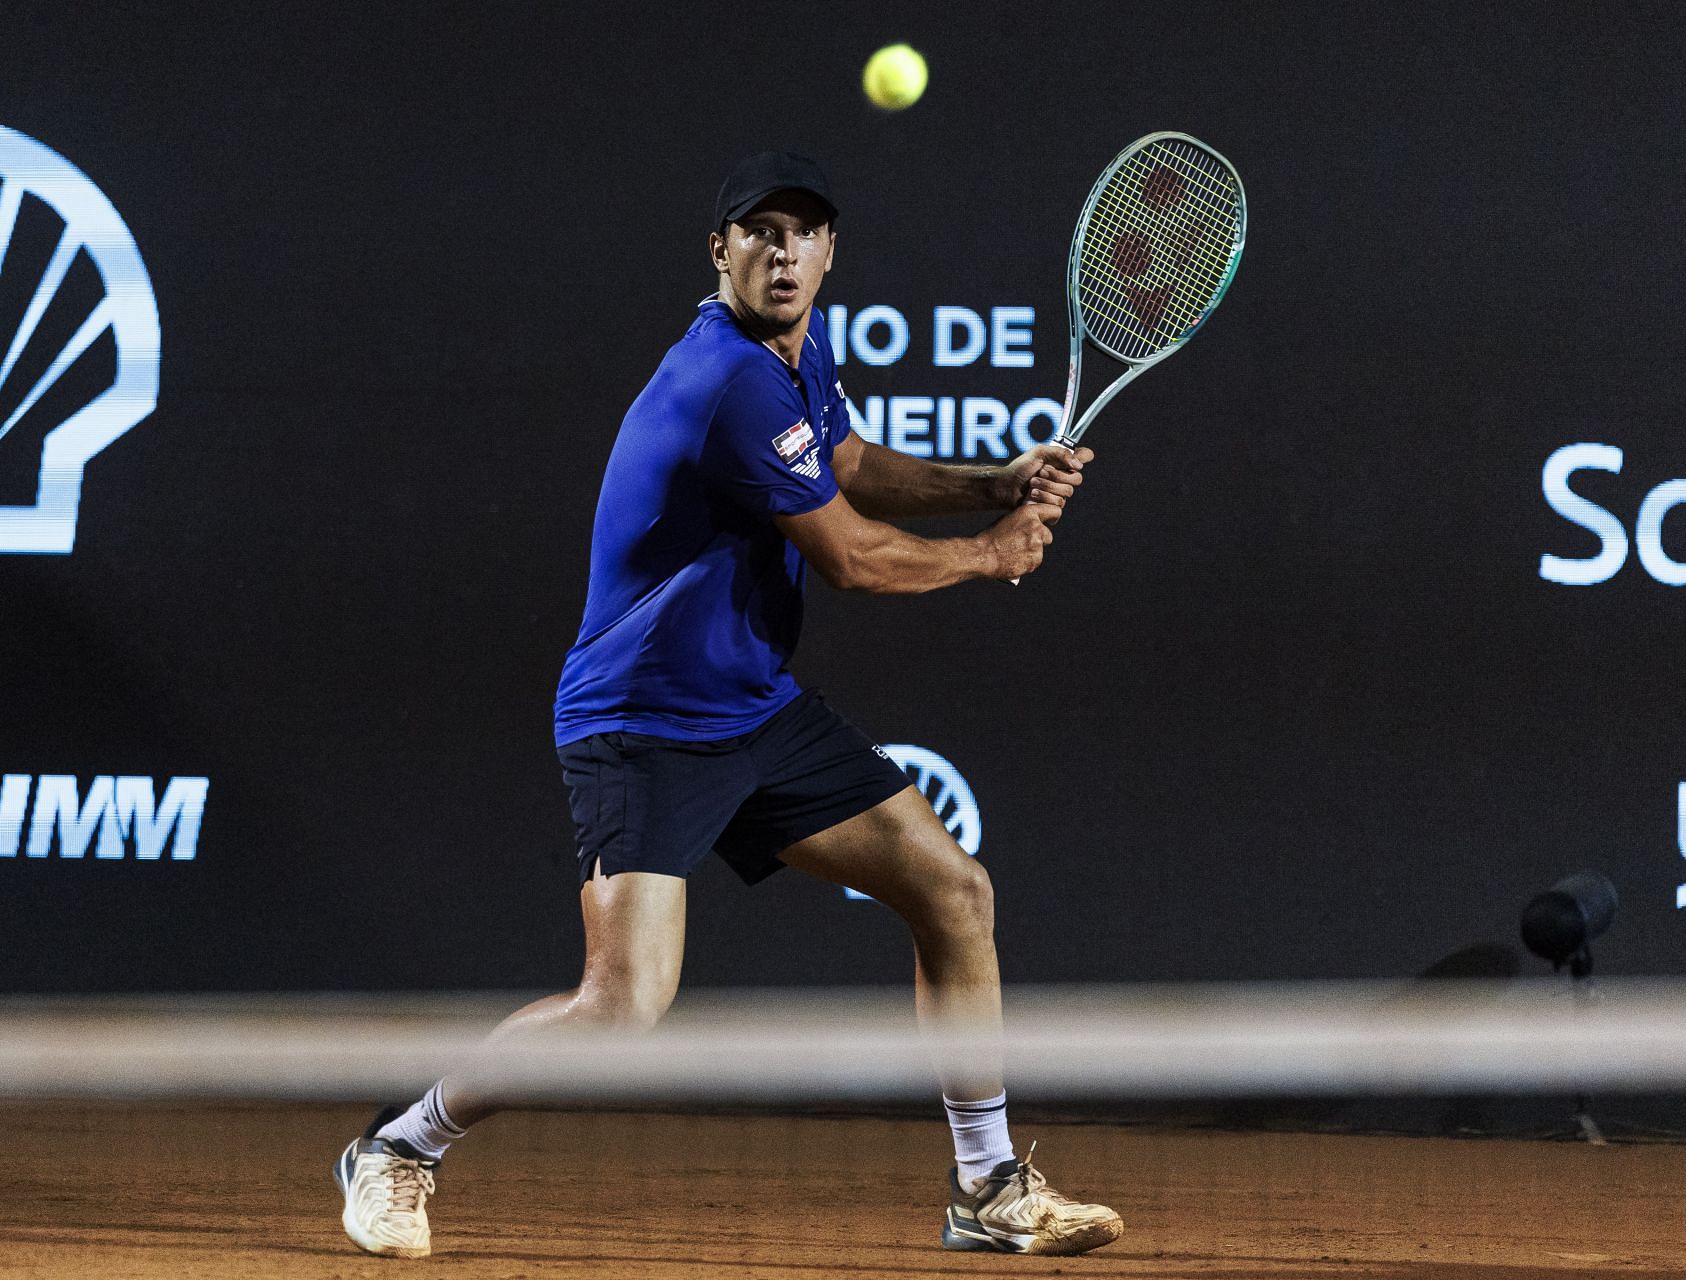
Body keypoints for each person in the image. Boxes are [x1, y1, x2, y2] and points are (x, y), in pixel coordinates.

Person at [335, 151, 1119, 1259]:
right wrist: (987, 553)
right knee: (623, 1005)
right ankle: (399, 1144)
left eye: (804, 232)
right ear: (721, 250)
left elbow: (843, 459)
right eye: (759, 231)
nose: (783, 250)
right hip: (643, 719)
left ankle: (986, 1184)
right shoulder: (728, 378)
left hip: (751, 704)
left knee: (953, 888)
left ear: (831, 250)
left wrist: (991, 481)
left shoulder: (799, 351)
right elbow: (847, 554)